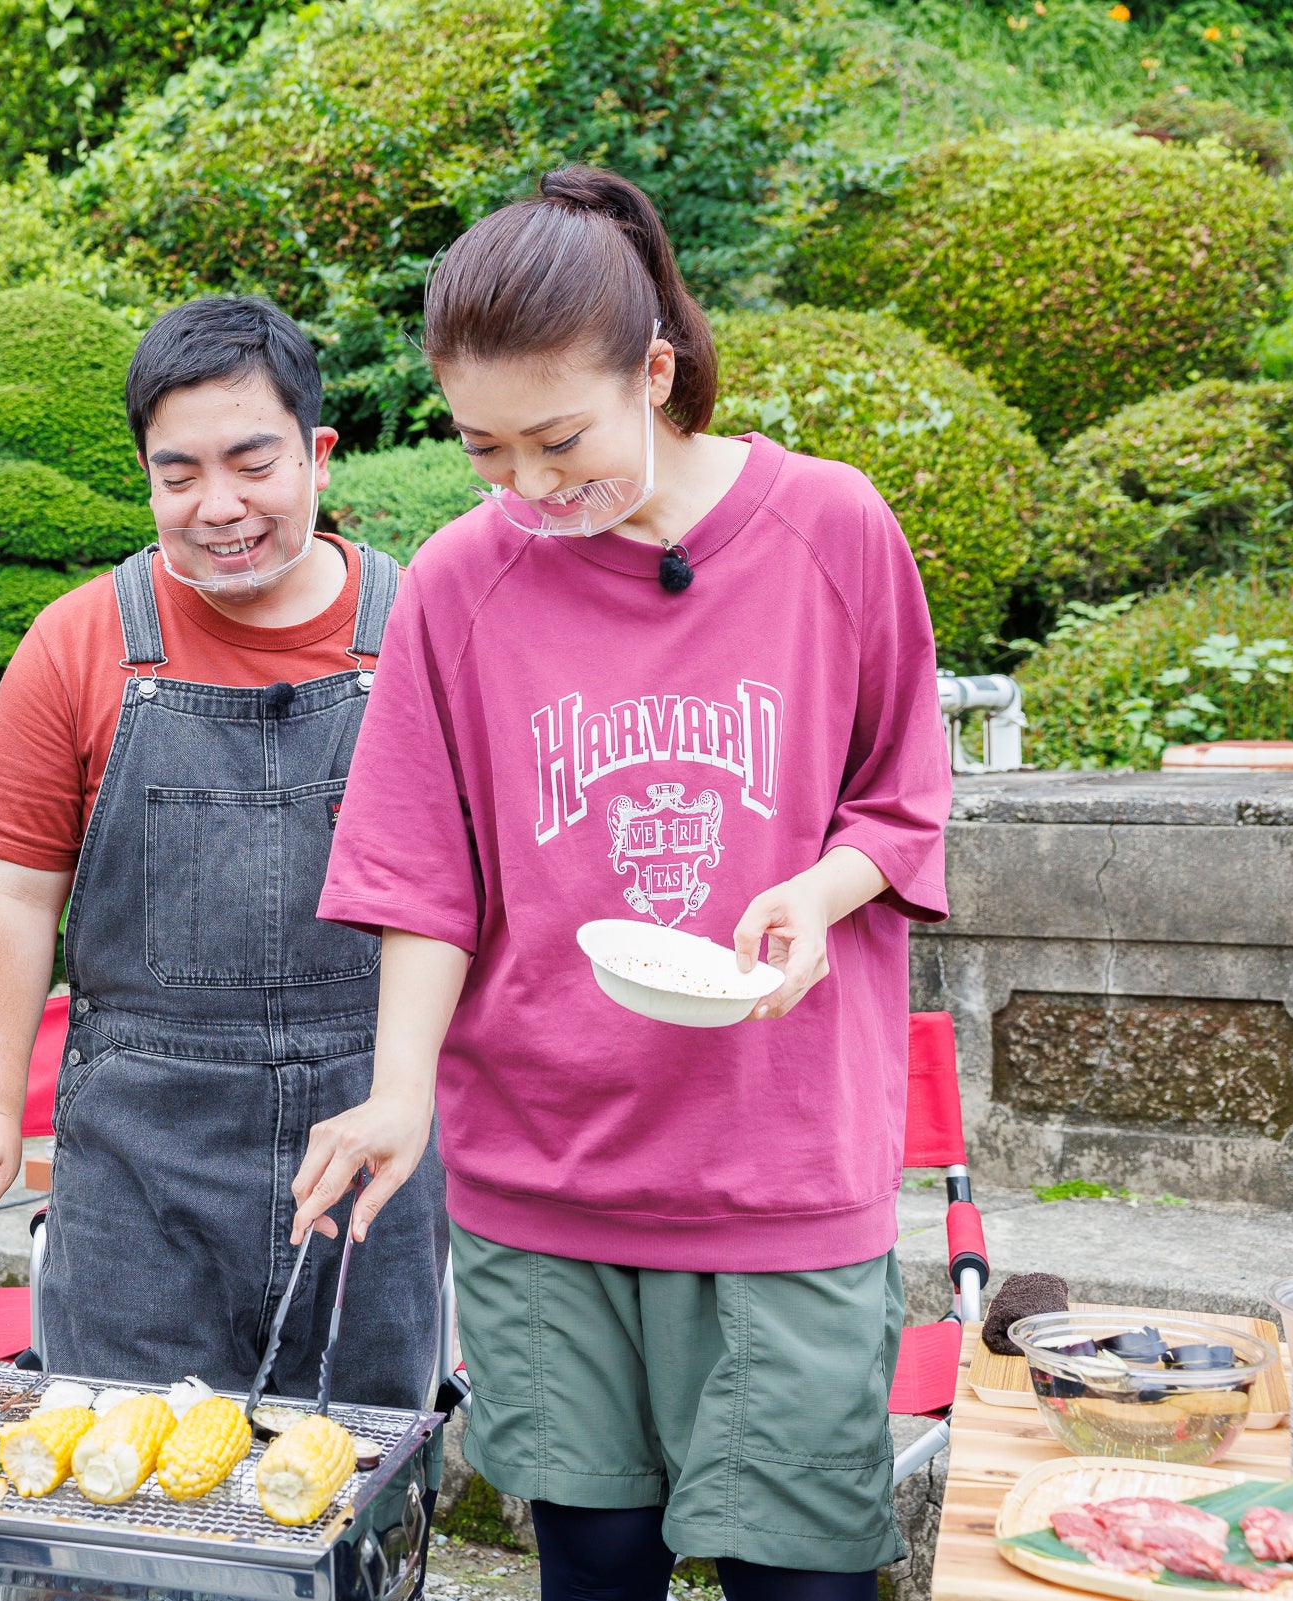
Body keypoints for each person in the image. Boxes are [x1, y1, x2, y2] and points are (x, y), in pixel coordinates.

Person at [287, 168, 952, 1600]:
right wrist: (400, 1090)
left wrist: (820, 896)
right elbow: (422, 869)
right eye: (483, 447)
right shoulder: (466, 581)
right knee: (591, 1574)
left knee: (804, 1580)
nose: (527, 487)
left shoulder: (832, 531)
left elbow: (901, 803)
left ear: (656, 372)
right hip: (546, 1176)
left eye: (560, 439)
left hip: (779, 1168)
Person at [0, 296, 449, 1407]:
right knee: (117, 1503)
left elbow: (463, 890)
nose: (219, 507)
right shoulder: (78, 641)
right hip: (140, 1162)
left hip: (366, 1146)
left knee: (349, 1493)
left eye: (253, 463)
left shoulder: (421, 630)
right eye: (178, 475)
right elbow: (14, 891)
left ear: (319, 454)